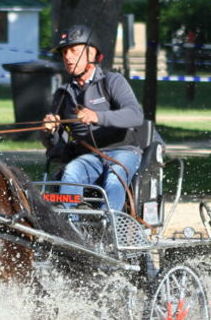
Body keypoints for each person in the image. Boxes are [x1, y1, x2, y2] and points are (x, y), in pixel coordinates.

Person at [42, 24, 145, 213]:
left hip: (123, 151)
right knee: (71, 172)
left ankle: (109, 224)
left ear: (91, 54)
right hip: (88, 157)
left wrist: (97, 116)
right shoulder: (63, 94)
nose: (67, 57)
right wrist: (50, 131)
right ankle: (68, 224)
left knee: (114, 178)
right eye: (64, 52)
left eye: (74, 51)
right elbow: (55, 146)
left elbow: (135, 115)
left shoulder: (112, 81)